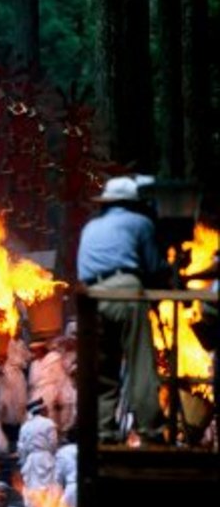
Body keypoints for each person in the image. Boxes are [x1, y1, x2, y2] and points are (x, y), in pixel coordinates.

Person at [77, 175, 168, 444]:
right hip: (125, 289)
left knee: (104, 367)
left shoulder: (91, 227)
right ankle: (150, 429)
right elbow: (153, 266)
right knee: (140, 362)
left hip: (92, 296)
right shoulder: (140, 222)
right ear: (133, 203)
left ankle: (102, 430)